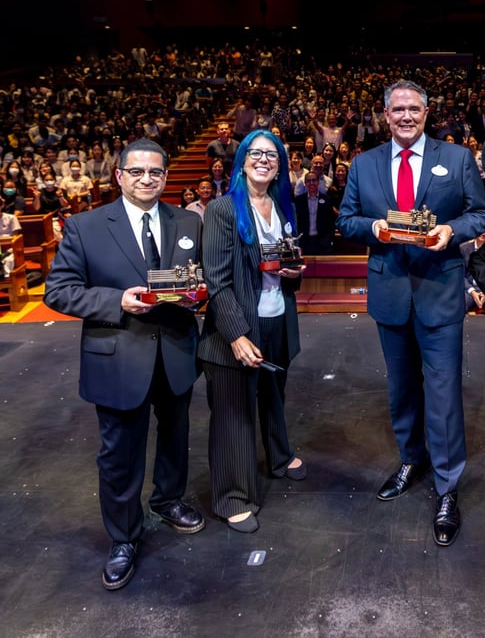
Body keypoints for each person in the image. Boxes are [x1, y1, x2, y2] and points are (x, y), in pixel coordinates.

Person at [43, 138, 206, 591]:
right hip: (117, 359)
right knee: (119, 455)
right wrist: (116, 300)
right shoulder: (85, 226)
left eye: (155, 172)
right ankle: (123, 537)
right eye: (137, 172)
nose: (147, 179)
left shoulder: (188, 220)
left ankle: (169, 500)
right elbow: (58, 290)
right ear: (119, 176)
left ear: (166, 176)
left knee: (175, 439)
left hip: (175, 352)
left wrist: (202, 296)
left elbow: (200, 279)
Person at [336, 79, 485, 547]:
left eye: (414, 109)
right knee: (401, 389)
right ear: (386, 115)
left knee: (443, 394)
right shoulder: (364, 164)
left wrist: (450, 230)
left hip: (440, 292)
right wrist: (374, 228)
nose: (406, 116)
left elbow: (480, 214)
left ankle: (446, 487)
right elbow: (345, 220)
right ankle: (411, 458)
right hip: (389, 294)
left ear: (427, 113)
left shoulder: (457, 158)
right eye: (397, 109)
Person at [198, 130, 307, 534]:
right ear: (242, 160)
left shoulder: (282, 206)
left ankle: (278, 457)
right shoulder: (223, 209)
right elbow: (217, 280)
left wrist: (293, 274)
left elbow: (284, 264)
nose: (264, 159)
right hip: (237, 325)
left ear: (280, 163)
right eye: (255, 153)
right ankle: (232, 497)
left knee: (272, 396)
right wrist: (236, 334)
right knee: (234, 413)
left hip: (276, 317)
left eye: (272, 154)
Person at [294, 171, 336, 256]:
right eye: (308, 181)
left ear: (318, 182)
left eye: (314, 180)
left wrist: (329, 239)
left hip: (322, 243)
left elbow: (331, 222)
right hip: (304, 243)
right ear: (305, 183)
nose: (311, 183)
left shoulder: (327, 200)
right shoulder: (298, 201)